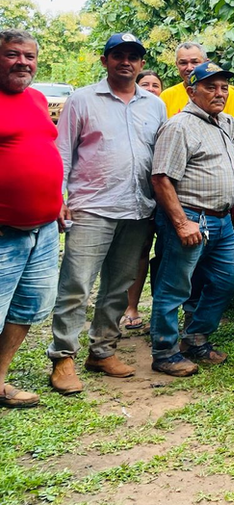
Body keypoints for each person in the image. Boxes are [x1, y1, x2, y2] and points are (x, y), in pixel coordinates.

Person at [48, 33, 166, 394]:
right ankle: (63, 357)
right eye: (118, 55)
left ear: (142, 64)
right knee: (76, 285)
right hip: (91, 207)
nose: (125, 62)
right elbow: (63, 152)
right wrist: (58, 195)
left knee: (119, 286)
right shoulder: (82, 100)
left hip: (137, 208)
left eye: (133, 56)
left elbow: (158, 155)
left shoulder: (154, 105)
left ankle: (101, 350)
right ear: (105, 60)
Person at [149, 61, 234, 376]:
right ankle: (165, 353)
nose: (220, 93)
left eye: (224, 87)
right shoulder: (179, 126)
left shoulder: (223, 121)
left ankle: (195, 338)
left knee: (227, 279)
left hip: (221, 222)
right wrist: (182, 223)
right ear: (190, 89)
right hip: (192, 217)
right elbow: (161, 179)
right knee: (174, 287)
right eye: (211, 87)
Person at [0, 30, 63, 408]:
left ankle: (0, 378)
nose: (23, 62)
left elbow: (42, 149)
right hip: (4, 234)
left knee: (28, 307)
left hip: (43, 230)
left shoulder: (38, 98)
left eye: (29, 56)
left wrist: (55, 200)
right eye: (12, 54)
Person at [123, 69, 165, 331]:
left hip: (161, 192)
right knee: (135, 252)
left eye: (155, 85)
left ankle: (160, 309)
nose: (150, 88)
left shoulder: (162, 109)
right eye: (145, 84)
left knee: (158, 252)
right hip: (132, 192)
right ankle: (130, 305)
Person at [159, 42, 234, 123]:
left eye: (195, 62)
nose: (189, 68)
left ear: (206, 62)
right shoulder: (167, 96)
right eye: (183, 63)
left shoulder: (225, 94)